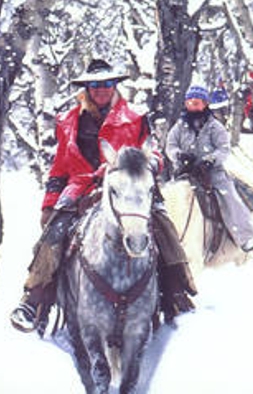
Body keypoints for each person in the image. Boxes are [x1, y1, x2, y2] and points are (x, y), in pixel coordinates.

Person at [10, 59, 197, 332]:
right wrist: (50, 203)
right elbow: (60, 165)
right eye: (95, 85)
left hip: (129, 185)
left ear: (114, 86)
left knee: (162, 226)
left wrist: (150, 164)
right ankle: (36, 299)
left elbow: (153, 151)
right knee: (53, 235)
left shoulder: (134, 117)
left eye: (107, 84)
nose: (101, 90)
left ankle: (176, 293)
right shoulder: (67, 121)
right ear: (86, 88)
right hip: (81, 186)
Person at [166, 85, 253, 252]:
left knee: (228, 197)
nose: (193, 106)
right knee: (168, 198)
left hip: (211, 173)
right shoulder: (179, 127)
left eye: (197, 103)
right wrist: (179, 155)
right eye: (190, 103)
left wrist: (211, 160)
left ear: (205, 104)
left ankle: (245, 236)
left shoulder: (215, 126)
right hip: (185, 173)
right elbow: (170, 146)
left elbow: (224, 148)